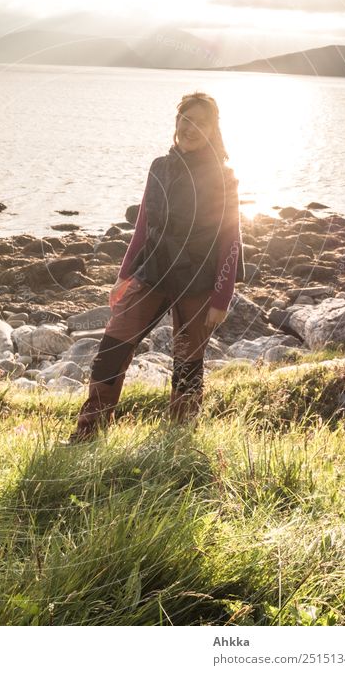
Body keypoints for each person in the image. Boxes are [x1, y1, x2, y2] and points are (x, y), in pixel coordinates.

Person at [67, 91, 245, 443]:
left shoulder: (224, 178)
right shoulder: (159, 167)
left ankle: (178, 438)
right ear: (177, 122)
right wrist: (123, 276)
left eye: (201, 122)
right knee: (111, 351)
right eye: (185, 119)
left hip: (198, 280)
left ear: (213, 130)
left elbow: (231, 237)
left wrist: (222, 297)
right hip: (152, 273)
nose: (191, 128)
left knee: (187, 362)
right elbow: (143, 227)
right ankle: (88, 435)